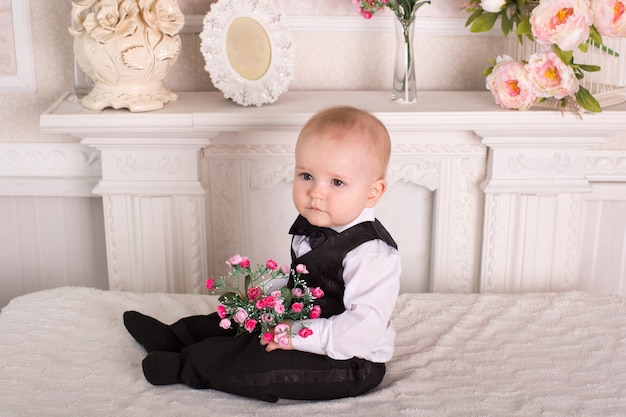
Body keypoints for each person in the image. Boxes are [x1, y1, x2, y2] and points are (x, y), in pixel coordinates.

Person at [123, 106, 401, 402]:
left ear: (373, 192)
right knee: (241, 319)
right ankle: (176, 336)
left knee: (266, 361)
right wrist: (270, 294)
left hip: (347, 359)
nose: (316, 193)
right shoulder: (311, 228)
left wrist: (296, 336)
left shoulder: (371, 254)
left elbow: (363, 327)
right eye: (307, 175)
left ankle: (188, 365)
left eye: (336, 182)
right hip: (301, 320)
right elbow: (304, 283)